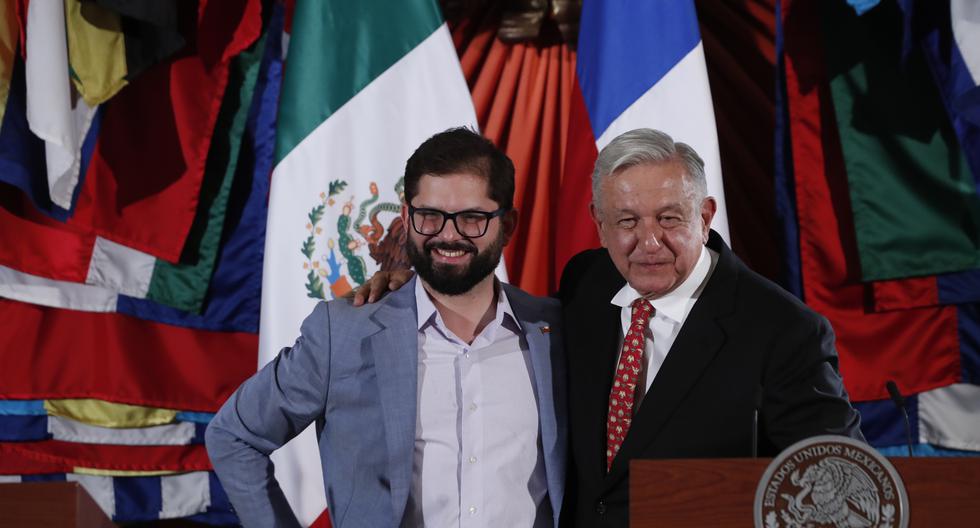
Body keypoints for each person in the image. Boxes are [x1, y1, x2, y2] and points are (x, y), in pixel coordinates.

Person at [354, 128, 864, 528]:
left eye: (669, 218)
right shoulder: (586, 282)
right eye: (625, 221)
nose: (648, 242)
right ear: (598, 222)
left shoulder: (783, 331)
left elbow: (842, 486)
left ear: (705, 215)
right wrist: (417, 284)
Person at [206, 128, 566, 527]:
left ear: (508, 225)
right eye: (430, 216)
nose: (449, 235)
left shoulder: (557, 331)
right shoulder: (342, 333)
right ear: (406, 217)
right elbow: (233, 435)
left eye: (472, 218)